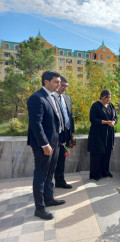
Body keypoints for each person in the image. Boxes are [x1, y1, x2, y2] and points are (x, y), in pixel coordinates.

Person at [27, 71, 66, 220]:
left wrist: (60, 139)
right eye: (56, 82)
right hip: (43, 145)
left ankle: (48, 198)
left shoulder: (52, 97)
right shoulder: (37, 98)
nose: (59, 84)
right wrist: (45, 144)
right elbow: (36, 124)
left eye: (59, 82)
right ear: (46, 81)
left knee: (50, 173)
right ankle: (40, 208)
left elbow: (56, 121)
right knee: (41, 175)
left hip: (55, 143)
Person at [88, 90, 118, 181]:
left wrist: (113, 122)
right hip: (98, 134)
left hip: (109, 134)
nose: (109, 99)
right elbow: (93, 119)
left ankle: (105, 171)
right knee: (97, 154)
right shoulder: (95, 106)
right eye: (108, 97)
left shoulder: (111, 106)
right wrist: (106, 122)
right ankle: (95, 174)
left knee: (107, 152)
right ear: (103, 97)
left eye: (110, 97)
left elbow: (116, 117)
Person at [54, 76, 75, 189]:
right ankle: (49, 182)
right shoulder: (52, 98)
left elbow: (70, 116)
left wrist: (72, 131)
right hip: (56, 134)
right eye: (62, 85)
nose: (64, 88)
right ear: (57, 84)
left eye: (66, 86)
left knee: (62, 159)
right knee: (53, 160)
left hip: (66, 133)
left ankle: (60, 181)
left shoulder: (67, 98)